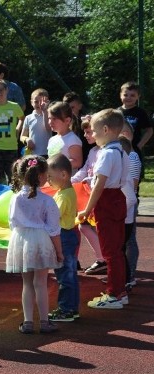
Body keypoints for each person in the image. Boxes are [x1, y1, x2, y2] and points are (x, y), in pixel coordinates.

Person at [77, 109, 129, 309]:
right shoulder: (121, 151)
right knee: (115, 250)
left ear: (106, 130)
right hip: (117, 199)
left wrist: (87, 208)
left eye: (95, 131)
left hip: (107, 201)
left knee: (109, 251)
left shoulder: (107, 154)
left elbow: (99, 184)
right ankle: (120, 291)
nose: (94, 135)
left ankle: (114, 294)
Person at [7, 155, 63, 334]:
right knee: (40, 283)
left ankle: (28, 321)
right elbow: (54, 230)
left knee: (27, 283)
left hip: (21, 240)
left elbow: (12, 222)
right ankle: (45, 322)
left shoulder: (15, 198)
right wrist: (59, 252)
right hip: (40, 240)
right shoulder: (47, 200)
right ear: (41, 176)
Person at [46, 154, 80, 322]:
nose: (48, 180)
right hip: (68, 235)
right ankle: (71, 308)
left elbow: (53, 216)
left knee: (65, 276)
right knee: (69, 275)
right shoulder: (64, 192)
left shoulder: (64, 195)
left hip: (64, 237)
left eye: (50, 177)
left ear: (64, 175)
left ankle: (66, 309)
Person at [71, 118, 106, 275]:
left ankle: (104, 259)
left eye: (88, 132)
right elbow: (85, 170)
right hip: (89, 195)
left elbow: (101, 176)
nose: (85, 135)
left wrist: (88, 181)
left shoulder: (105, 152)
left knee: (89, 226)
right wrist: (68, 181)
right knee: (84, 226)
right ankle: (102, 258)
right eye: (84, 131)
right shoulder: (92, 151)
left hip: (100, 196)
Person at [118, 136, 140, 292]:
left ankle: (126, 279)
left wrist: (118, 214)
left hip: (124, 219)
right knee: (121, 248)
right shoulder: (121, 172)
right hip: (124, 217)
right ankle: (124, 279)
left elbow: (130, 197)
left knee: (122, 248)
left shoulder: (129, 163)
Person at [118, 81, 152, 162]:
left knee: (134, 172)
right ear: (120, 95)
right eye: (125, 95)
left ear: (138, 96)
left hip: (133, 149)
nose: (128, 98)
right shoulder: (116, 112)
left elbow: (149, 130)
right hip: (118, 149)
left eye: (132, 95)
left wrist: (140, 145)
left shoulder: (140, 112)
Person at [47, 101, 83, 172]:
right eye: (49, 118)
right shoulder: (52, 139)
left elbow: (77, 162)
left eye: (54, 119)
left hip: (67, 181)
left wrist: (54, 165)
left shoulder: (72, 139)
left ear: (67, 120)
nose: (50, 122)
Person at [20, 89, 50, 158]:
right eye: (36, 102)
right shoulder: (28, 118)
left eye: (42, 102)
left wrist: (45, 112)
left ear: (47, 102)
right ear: (31, 102)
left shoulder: (50, 116)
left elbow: (48, 128)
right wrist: (27, 140)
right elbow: (22, 136)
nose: (39, 104)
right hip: (33, 154)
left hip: (48, 153)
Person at [63, 92, 90, 163]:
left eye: (72, 108)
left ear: (80, 106)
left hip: (85, 159)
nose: (70, 111)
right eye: (67, 108)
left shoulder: (85, 122)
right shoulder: (62, 123)